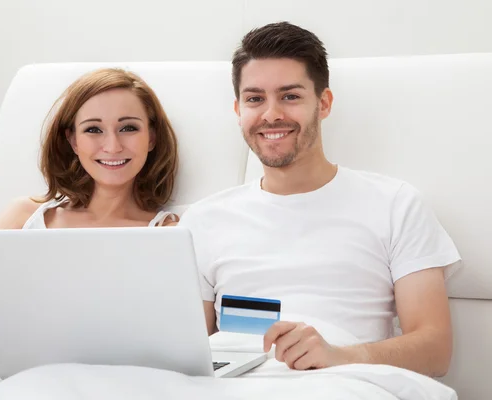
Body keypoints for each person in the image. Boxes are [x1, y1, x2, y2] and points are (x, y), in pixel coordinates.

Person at [178, 22, 460, 378]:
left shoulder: (395, 204)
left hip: (342, 382)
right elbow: (182, 347)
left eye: (290, 96)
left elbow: (435, 350)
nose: (271, 114)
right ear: (238, 110)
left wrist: (338, 355)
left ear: (323, 103)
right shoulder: (202, 219)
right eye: (255, 99)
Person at [0, 68, 180, 322]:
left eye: (128, 127)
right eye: (93, 130)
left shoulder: (168, 233)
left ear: (152, 138)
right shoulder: (23, 216)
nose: (112, 146)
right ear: (73, 141)